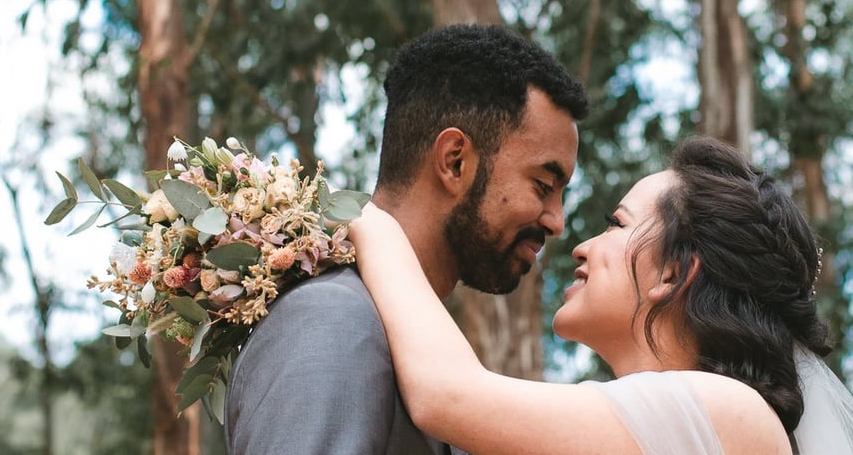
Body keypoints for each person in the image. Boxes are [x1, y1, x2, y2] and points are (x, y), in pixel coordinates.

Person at [350, 135, 853, 455]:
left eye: (617, 224)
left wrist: (366, 218)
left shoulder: (732, 413)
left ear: (672, 274)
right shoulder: (658, 424)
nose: (581, 245)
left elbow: (446, 395)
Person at [224, 24, 589, 455]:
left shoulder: (431, 357)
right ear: (454, 161)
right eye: (543, 186)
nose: (556, 221)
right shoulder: (331, 319)